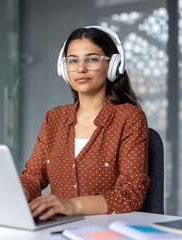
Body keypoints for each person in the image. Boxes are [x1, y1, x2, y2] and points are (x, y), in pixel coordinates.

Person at [20, 26, 150, 220]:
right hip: (57, 227)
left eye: (91, 59)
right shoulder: (54, 119)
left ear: (113, 65)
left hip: (107, 230)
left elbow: (131, 195)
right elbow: (32, 177)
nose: (81, 68)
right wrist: (16, 195)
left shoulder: (129, 117)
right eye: (73, 60)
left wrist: (72, 205)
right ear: (64, 69)